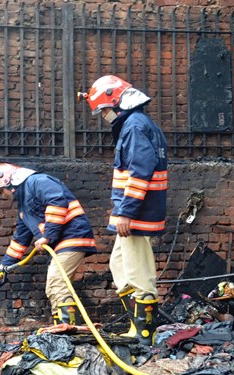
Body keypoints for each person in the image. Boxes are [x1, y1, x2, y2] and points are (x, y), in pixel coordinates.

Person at [78, 75, 168, 344]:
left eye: (103, 110)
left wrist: (126, 212)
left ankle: (144, 333)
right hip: (137, 211)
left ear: (116, 103)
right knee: (120, 264)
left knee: (138, 270)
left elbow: (140, 172)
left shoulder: (134, 127)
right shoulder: (135, 124)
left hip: (137, 213)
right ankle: (136, 324)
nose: (103, 116)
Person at [0, 163, 97, 325]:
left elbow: (57, 201)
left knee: (57, 282)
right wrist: (3, 268)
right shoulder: (23, 208)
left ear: (9, 181)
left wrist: (47, 236)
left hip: (72, 235)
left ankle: (69, 333)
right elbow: (20, 240)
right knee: (52, 287)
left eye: (2, 191)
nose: (3, 196)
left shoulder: (37, 181)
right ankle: (63, 332)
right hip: (60, 243)